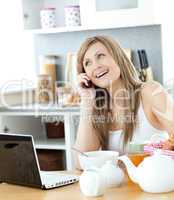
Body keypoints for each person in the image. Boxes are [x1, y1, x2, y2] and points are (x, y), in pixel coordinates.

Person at [73, 35, 174, 169]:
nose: (95, 65)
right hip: (119, 189)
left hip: (155, 184)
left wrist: (156, 152)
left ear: (118, 57)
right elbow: (81, 162)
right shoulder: (98, 109)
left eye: (100, 56)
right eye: (88, 63)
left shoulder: (150, 92)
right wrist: (86, 100)